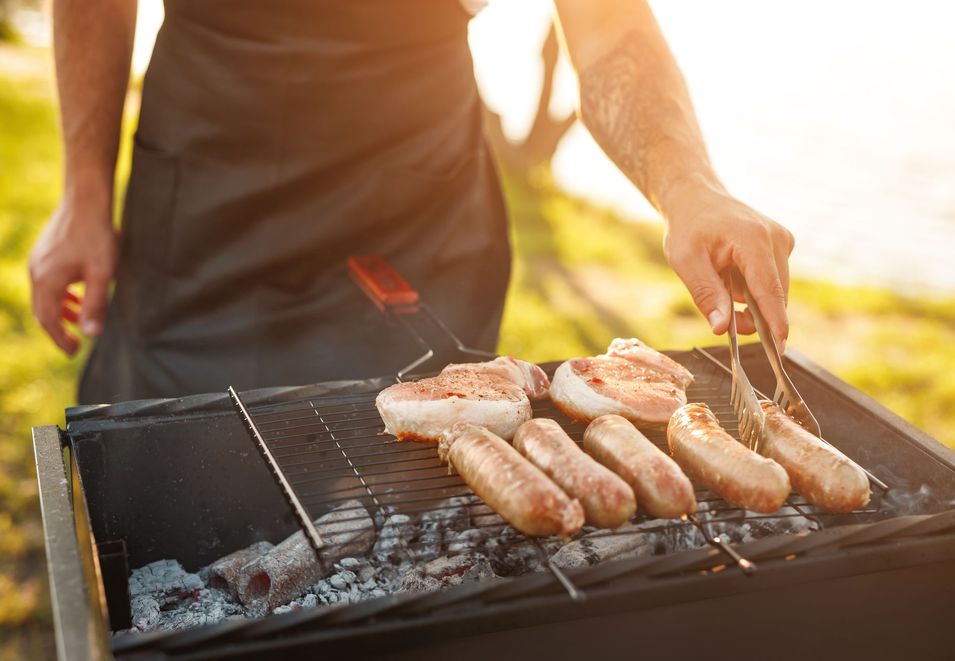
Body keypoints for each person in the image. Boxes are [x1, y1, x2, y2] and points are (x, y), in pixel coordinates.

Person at [29, 0, 795, 404]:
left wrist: (687, 183)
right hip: (200, 196)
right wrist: (84, 193)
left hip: (414, 212)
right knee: (172, 474)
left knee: (419, 477)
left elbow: (606, 27)